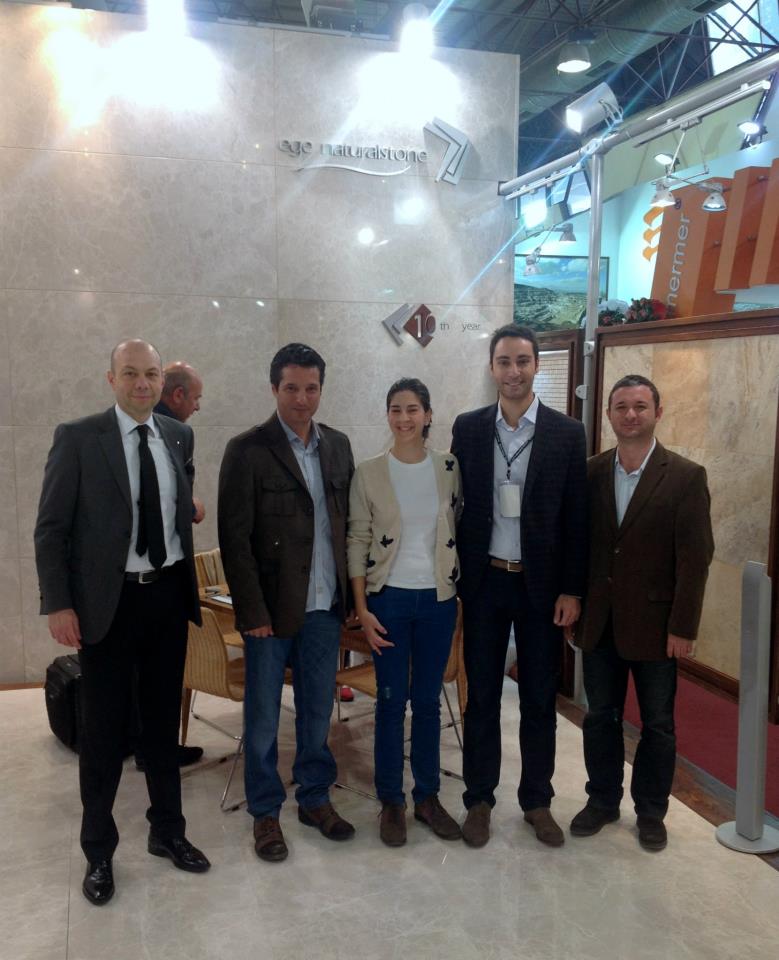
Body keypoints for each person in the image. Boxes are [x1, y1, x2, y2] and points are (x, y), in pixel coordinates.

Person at [34, 339, 210, 907]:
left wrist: (188, 509)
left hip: (166, 599)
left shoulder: (177, 435)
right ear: (111, 379)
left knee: (161, 728)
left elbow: (173, 503)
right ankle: (98, 850)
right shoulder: (79, 438)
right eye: (130, 373)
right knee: (104, 734)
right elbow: (51, 529)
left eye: (151, 374)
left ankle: (168, 831)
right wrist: (59, 604)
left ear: (162, 381)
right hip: (107, 605)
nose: (142, 383)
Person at [218, 343, 355, 863]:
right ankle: (265, 810)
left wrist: (350, 596)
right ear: (274, 387)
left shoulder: (337, 446)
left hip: (324, 606)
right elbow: (235, 540)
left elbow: (347, 526)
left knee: (318, 709)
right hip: (271, 613)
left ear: (322, 389)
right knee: (262, 716)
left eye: (311, 388)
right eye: (292, 388)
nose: (302, 398)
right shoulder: (247, 450)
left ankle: (314, 798)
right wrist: (251, 611)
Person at [452, 323, 587, 848]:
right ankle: (479, 800)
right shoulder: (468, 428)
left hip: (541, 588)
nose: (514, 371)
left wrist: (571, 589)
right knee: (482, 696)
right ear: (492, 368)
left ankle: (537, 801)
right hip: (485, 582)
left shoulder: (566, 433)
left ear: (536, 366)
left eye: (523, 361)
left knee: (538, 698)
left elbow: (576, 518)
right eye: (504, 361)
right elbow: (456, 506)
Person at [568, 374, 714, 851]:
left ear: (658, 412)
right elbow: (580, 546)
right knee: (600, 716)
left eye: (640, 406)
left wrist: (683, 627)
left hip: (656, 627)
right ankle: (602, 800)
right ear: (609, 414)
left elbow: (695, 559)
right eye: (621, 407)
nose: (630, 415)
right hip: (600, 622)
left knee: (658, 725)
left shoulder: (686, 476)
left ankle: (651, 812)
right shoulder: (590, 472)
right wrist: (574, 602)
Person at [347, 378, 462, 847]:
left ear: (428, 415)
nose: (404, 418)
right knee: (391, 702)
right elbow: (357, 539)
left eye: (412, 409)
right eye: (395, 409)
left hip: (438, 600)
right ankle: (391, 800)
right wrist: (361, 608)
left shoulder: (448, 467)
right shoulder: (369, 472)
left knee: (429, 702)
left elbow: (458, 523)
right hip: (388, 600)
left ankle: (428, 797)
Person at [126, 360, 205, 771]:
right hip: (142, 581)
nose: (197, 407)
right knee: (155, 675)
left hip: (156, 579)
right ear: (177, 395)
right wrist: (192, 506)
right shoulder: (164, 433)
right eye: (196, 398)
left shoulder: (175, 435)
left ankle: (150, 748)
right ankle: (154, 750)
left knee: (149, 673)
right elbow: (161, 501)